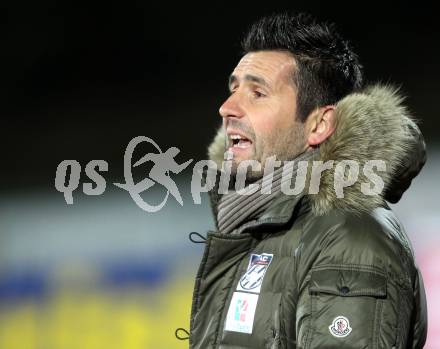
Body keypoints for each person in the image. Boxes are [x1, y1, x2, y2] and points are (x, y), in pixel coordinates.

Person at [188, 12, 427, 348]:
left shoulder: (348, 239)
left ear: (319, 125)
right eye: (234, 89)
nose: (227, 108)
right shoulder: (262, 227)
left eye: (257, 93)